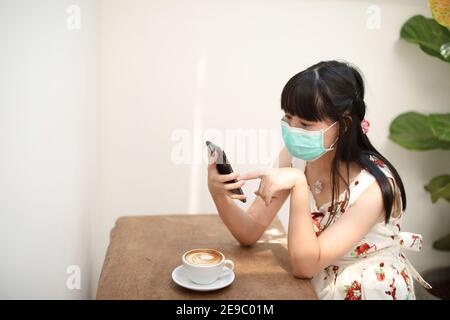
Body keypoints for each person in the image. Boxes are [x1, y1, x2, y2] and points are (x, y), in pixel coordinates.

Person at [206, 60, 431, 299]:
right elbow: (248, 232)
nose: (292, 130)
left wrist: (299, 185)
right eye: (289, 117)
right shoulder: (296, 157)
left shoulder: (374, 188)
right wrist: (217, 192)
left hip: (367, 288)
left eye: (305, 124)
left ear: (343, 125)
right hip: (316, 282)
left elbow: (304, 267)